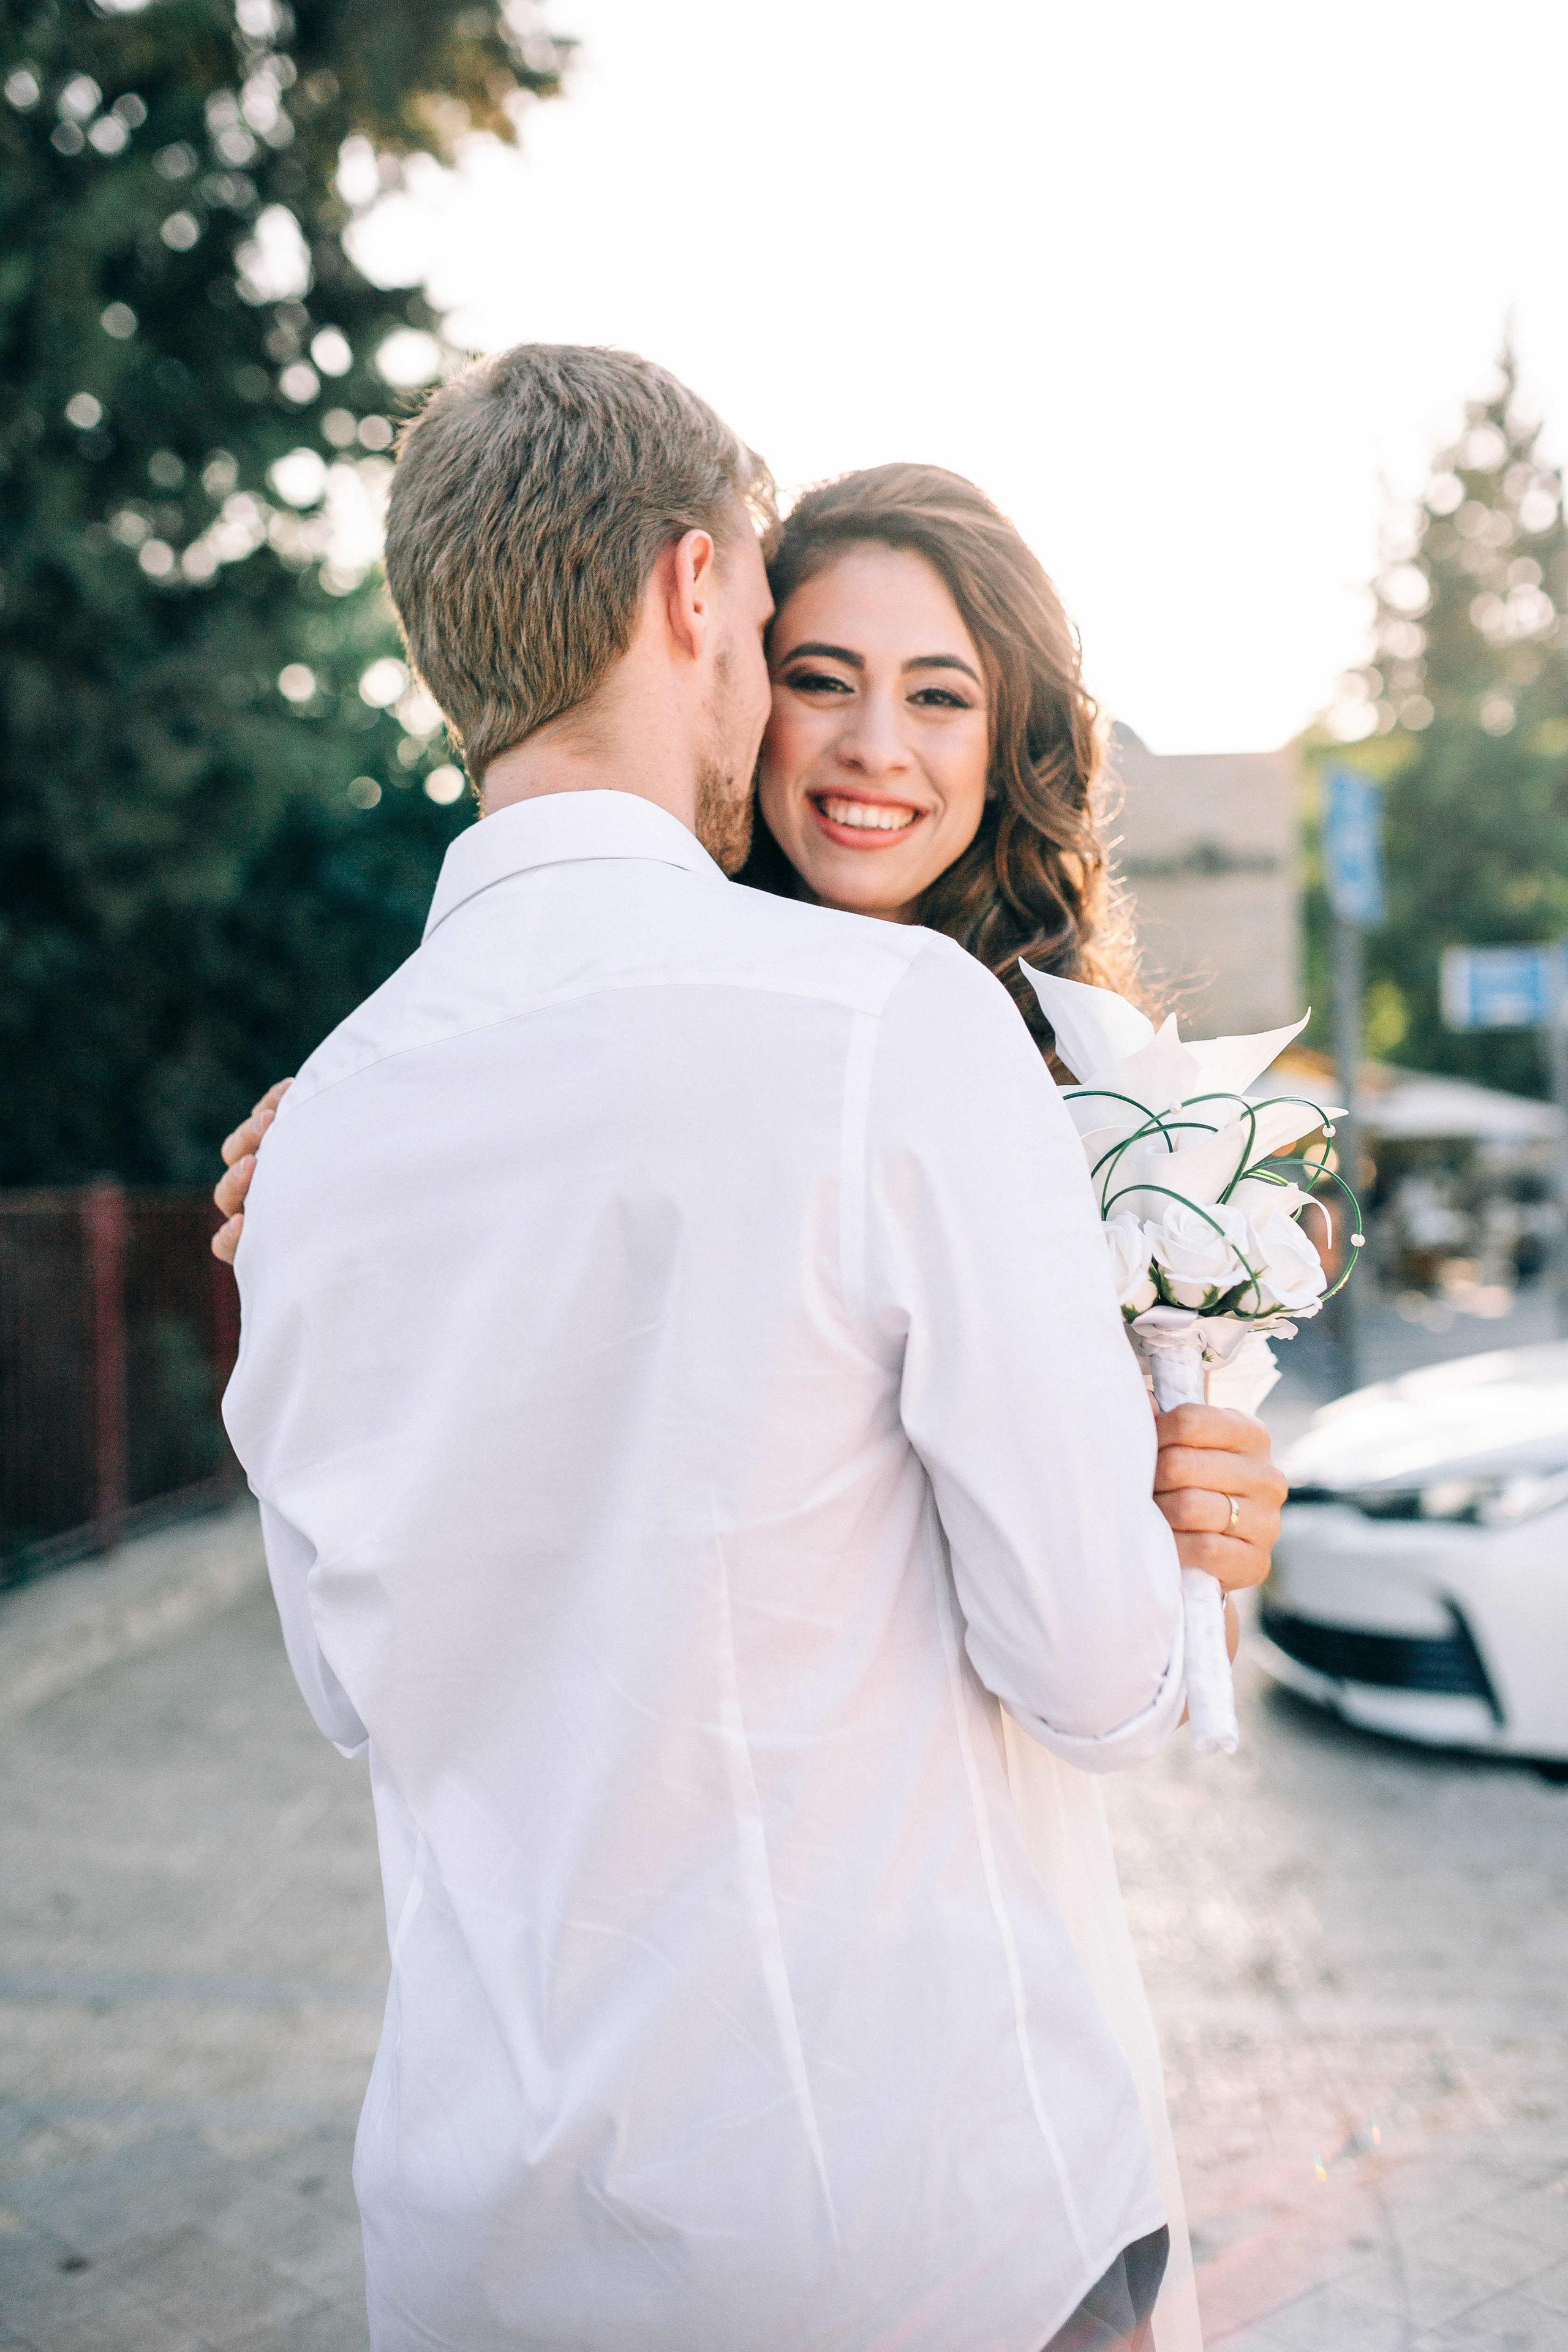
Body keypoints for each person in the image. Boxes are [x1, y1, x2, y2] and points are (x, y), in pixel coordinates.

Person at [219, 343, 1284, 2352]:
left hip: (479, 2249)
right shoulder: (892, 1031)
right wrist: (1180, 1552)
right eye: (802, 648)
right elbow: (1096, 1680)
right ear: (701, 594)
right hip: (914, 2229)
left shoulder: (313, 1137)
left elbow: (352, 1692)